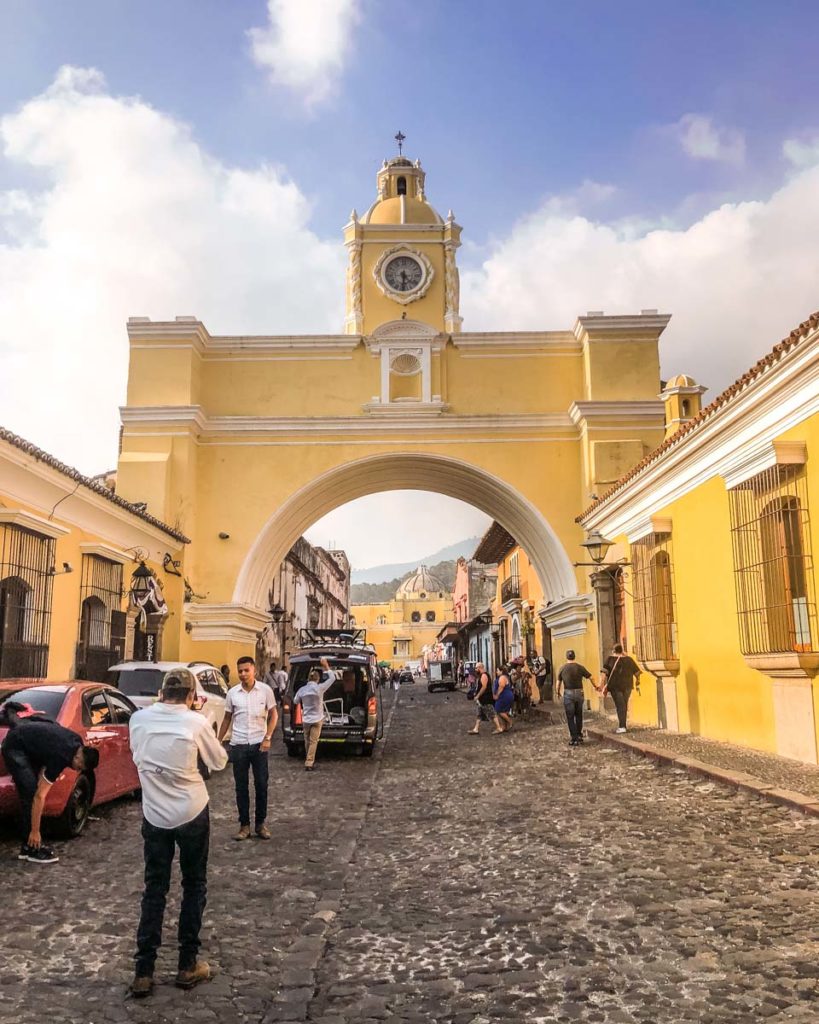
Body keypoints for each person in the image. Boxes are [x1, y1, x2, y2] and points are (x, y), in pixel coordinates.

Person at [128, 668, 228, 998]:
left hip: (155, 814)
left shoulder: (138, 720)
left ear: (161, 693)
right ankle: (187, 965)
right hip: (191, 812)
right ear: (189, 696)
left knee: (154, 889)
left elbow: (137, 756)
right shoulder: (195, 723)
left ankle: (144, 971)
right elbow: (219, 762)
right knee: (193, 884)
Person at [0, 702, 99, 864]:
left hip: (29, 742)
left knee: (31, 788)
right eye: (78, 767)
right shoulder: (61, 757)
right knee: (30, 793)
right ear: (78, 757)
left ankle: (30, 844)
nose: (75, 770)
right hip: (14, 746)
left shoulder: (77, 742)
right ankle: (30, 846)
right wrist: (35, 831)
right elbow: (40, 796)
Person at [217, 656, 278, 841]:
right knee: (241, 787)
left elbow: (273, 715)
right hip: (239, 744)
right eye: (240, 671)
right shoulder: (233, 693)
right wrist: (218, 740)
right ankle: (244, 825)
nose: (243, 674)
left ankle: (260, 824)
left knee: (261, 784)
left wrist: (268, 737)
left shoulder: (265, 691)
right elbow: (227, 718)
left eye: (246, 670)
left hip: (260, 744)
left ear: (254, 671)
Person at [293, 657, 336, 772]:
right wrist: (326, 665)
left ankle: (309, 759)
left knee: (307, 740)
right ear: (318, 679)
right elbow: (333, 678)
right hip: (317, 718)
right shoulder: (320, 688)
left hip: (306, 719)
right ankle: (309, 762)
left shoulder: (302, 690)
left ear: (308, 678)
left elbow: (295, 701)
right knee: (313, 741)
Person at [601, 643, 641, 733]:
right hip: (628, 686)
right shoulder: (629, 659)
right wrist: (638, 681)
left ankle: (622, 726)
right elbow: (637, 672)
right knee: (624, 705)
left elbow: (604, 673)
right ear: (622, 651)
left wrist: (601, 685)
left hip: (615, 687)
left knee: (620, 705)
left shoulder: (610, 659)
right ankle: (623, 725)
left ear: (613, 651)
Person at [556, 650, 592, 746]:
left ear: (566, 657)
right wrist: (596, 686)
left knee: (570, 716)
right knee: (579, 714)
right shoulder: (580, 667)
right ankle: (579, 735)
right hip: (579, 692)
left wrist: (557, 692)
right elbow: (590, 677)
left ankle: (574, 737)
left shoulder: (562, 668)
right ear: (574, 656)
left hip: (568, 693)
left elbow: (558, 682)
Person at [467, 662, 502, 734]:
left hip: (486, 698)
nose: (475, 669)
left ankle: (499, 728)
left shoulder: (484, 675)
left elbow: (484, 687)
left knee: (492, 713)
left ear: (480, 668)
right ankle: (476, 729)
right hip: (482, 700)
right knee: (479, 714)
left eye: (476, 668)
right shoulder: (481, 676)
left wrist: (478, 696)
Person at [493, 665, 515, 733]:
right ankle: (504, 726)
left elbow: (501, 687)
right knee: (503, 711)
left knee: (499, 710)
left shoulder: (502, 677)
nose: (496, 672)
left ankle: (510, 721)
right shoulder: (502, 677)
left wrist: (497, 695)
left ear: (501, 671)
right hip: (504, 696)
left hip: (504, 696)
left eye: (497, 671)